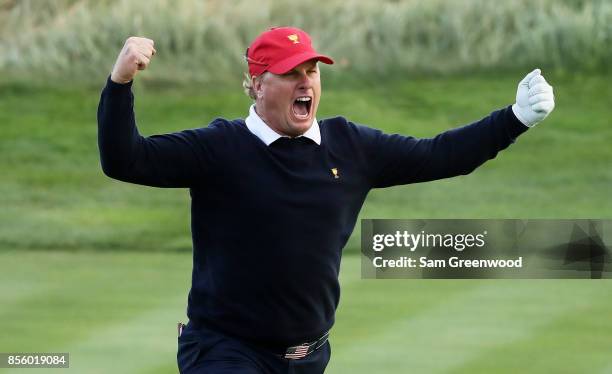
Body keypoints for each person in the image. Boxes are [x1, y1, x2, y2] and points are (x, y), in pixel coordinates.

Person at [97, 26, 555, 373]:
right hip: (225, 352)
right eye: (290, 73)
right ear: (257, 84)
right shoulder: (219, 148)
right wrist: (119, 84)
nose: (306, 82)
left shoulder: (351, 146)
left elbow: (440, 155)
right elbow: (126, 160)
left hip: (310, 357)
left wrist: (514, 118)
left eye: (311, 71)